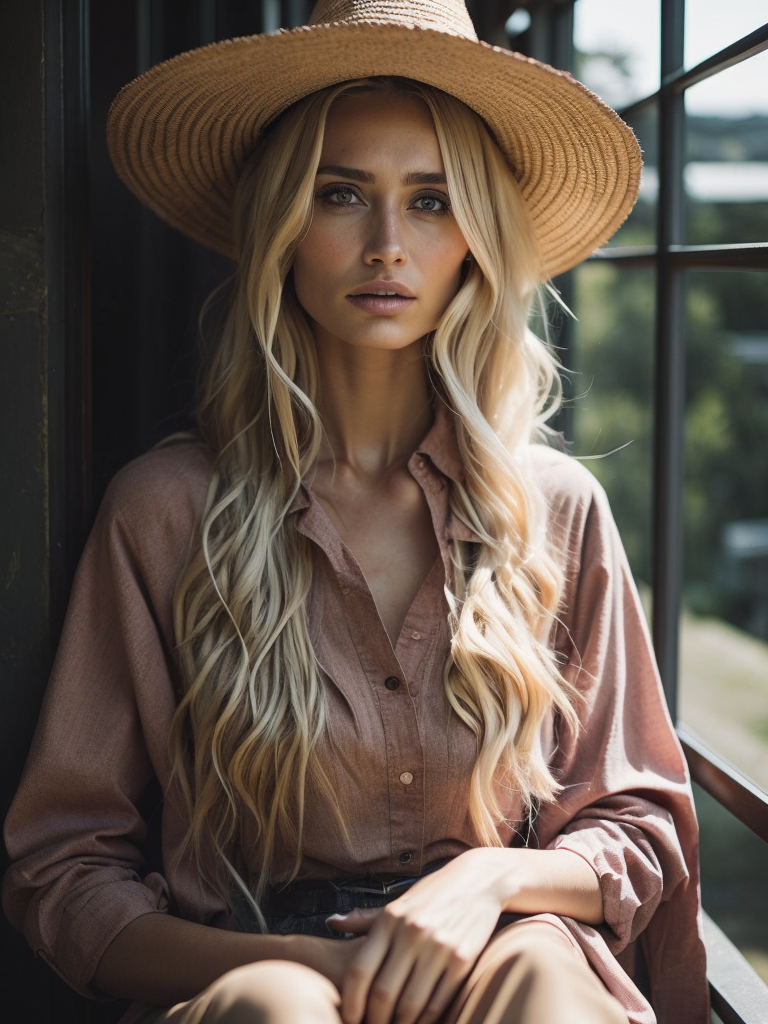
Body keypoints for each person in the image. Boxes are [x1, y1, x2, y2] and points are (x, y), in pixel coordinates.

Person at [3, 2, 709, 1023]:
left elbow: (639, 825)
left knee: (549, 986)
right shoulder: (163, 513)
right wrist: (327, 971)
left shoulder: (555, 509)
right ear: (283, 223)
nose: (387, 245)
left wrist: (493, 882)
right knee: (275, 1012)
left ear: (476, 239)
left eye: (430, 201)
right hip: (255, 962)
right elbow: (63, 869)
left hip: (509, 956)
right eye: (342, 194)